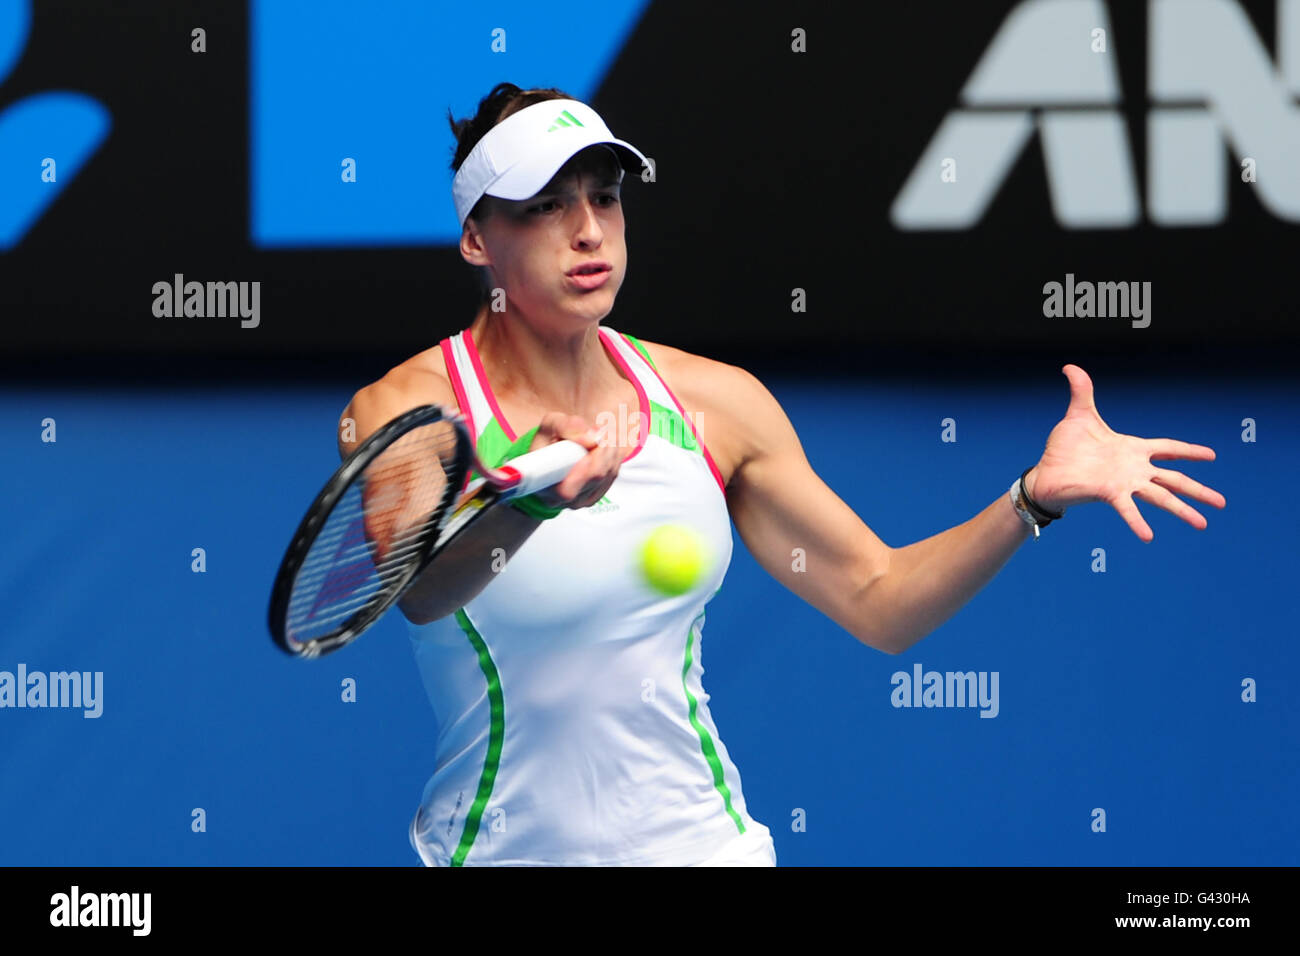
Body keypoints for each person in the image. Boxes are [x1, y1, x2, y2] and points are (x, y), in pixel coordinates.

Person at [338, 82, 1226, 867]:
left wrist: (1028, 500)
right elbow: (416, 592)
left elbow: (879, 598)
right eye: (543, 207)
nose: (587, 230)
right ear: (475, 239)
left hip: (708, 850)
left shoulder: (715, 403)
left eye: (605, 198)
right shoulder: (407, 414)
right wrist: (527, 505)